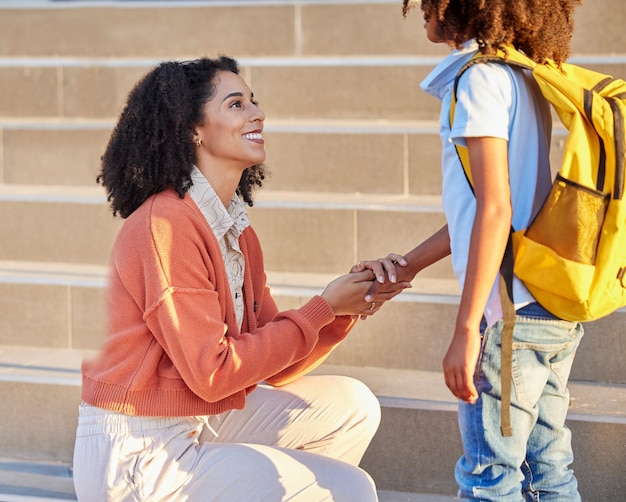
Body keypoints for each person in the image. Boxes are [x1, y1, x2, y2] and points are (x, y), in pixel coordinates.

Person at [72, 56, 411, 501]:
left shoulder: (235, 231)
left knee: (352, 406)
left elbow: (277, 366)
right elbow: (213, 373)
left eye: (254, 101)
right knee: (349, 489)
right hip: (138, 450)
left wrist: (342, 310)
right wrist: (322, 307)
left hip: (196, 418)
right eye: (236, 104)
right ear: (193, 129)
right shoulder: (165, 226)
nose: (257, 113)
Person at [361, 0, 585, 500]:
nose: (420, 6)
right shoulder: (520, 74)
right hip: (545, 308)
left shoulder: (477, 80)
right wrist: (409, 265)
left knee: (491, 482)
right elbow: (488, 203)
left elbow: (496, 209)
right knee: (549, 472)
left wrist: (468, 328)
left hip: (507, 315)